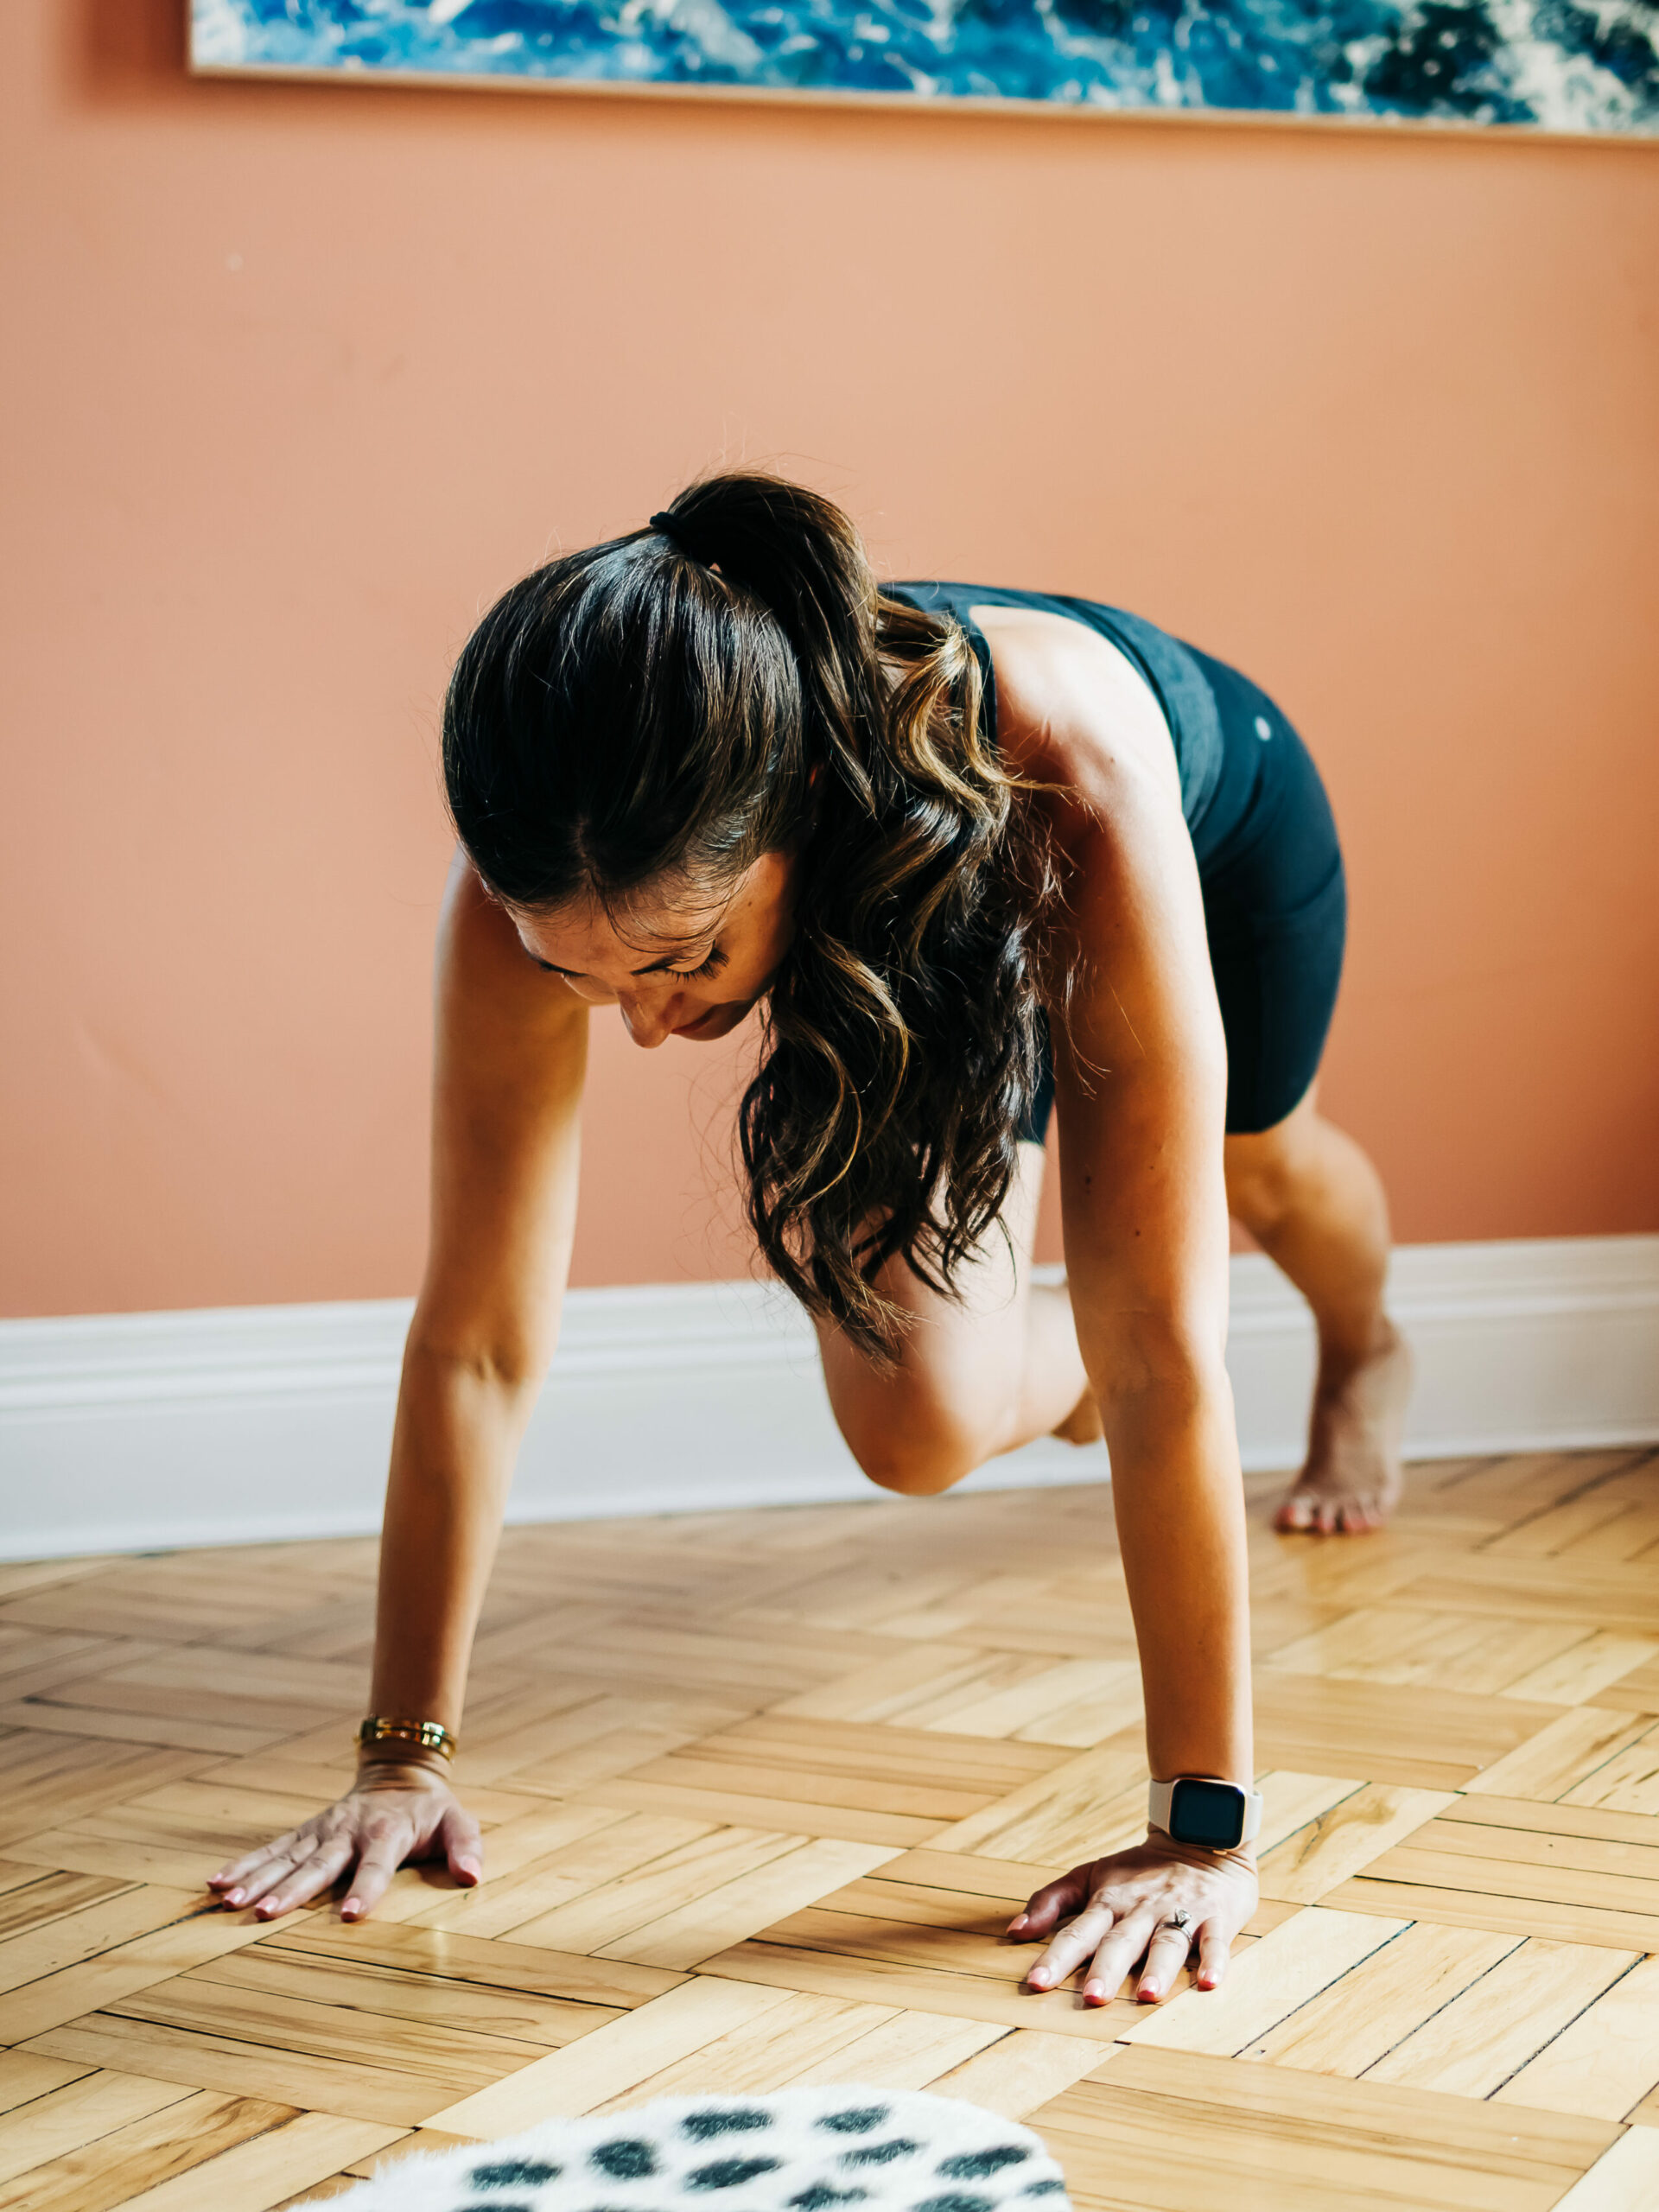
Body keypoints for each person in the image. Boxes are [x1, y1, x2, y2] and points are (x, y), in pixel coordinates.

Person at [208, 473, 1409, 2007]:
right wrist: (396, 1757)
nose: (641, 1028)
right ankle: (1089, 1331)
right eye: (583, 975)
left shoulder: (1077, 778)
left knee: (1260, 1173)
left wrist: (1202, 1835)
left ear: (789, 831)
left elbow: (1169, 1361)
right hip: (909, 917)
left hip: (1199, 823)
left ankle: (1367, 1342)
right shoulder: (551, 886)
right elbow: (481, 1337)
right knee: (917, 1421)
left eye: (685, 963)